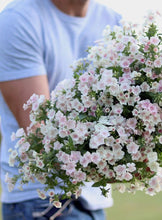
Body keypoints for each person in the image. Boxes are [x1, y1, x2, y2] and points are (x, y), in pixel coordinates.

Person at [0, 0, 122, 219]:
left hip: (93, 202)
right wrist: (116, 160)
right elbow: (42, 136)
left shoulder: (114, 22)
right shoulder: (19, 20)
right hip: (42, 203)